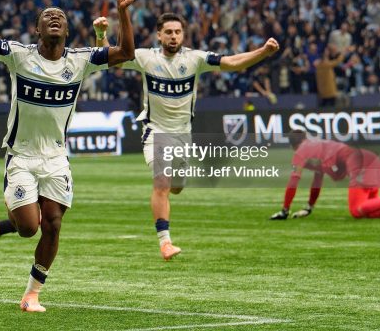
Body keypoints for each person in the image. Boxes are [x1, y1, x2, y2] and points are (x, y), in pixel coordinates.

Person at [0, 0, 137, 312]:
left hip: (56, 157)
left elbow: (126, 53)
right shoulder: (19, 55)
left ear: (69, 30)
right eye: (48, 16)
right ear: (37, 29)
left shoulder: (81, 60)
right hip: (22, 155)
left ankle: (32, 294)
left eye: (60, 16)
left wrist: (122, 12)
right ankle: (10, 215)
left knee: (53, 225)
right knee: (29, 228)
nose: (54, 18)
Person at [94, 13, 279, 259]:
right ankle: (165, 242)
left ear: (183, 34)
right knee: (161, 183)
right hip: (156, 131)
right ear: (159, 35)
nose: (173, 36)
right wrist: (100, 35)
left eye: (177, 32)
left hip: (183, 136)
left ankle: (169, 203)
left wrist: (263, 52)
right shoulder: (145, 57)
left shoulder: (195, 59)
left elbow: (234, 62)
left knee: (176, 188)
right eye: (168, 32)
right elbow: (109, 58)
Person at [270, 130, 380, 220]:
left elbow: (293, 181)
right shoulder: (318, 145)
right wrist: (309, 207)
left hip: (359, 163)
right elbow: (317, 180)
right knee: (370, 211)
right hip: (371, 159)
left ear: (293, 145)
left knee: (356, 211)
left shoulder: (300, 151)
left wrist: (285, 210)